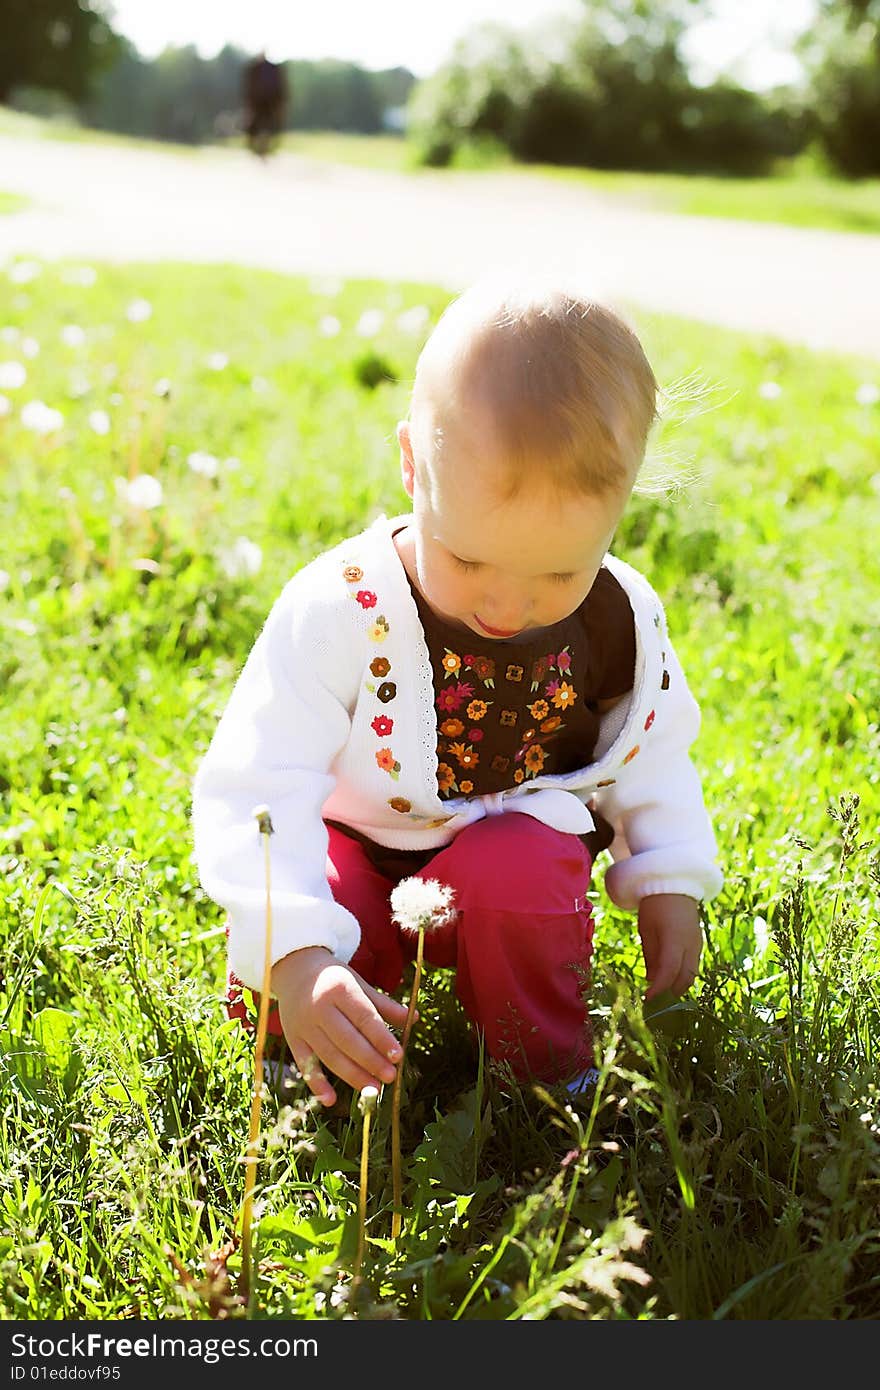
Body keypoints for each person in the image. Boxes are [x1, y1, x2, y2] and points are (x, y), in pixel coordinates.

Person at [191, 274, 723, 1108]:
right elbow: (259, 783)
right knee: (322, 895)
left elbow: (650, 754)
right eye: (468, 560)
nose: (507, 606)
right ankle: (319, 1053)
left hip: (509, 857)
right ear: (411, 464)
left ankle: (541, 1078)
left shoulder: (619, 620)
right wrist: (295, 953)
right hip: (357, 850)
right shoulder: (342, 609)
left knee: (524, 865)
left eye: (560, 571)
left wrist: (668, 875)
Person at [242, 50, 288, 159]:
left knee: (263, 122)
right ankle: (260, 145)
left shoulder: (255, 68)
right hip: (265, 101)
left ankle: (262, 145)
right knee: (263, 122)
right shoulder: (265, 68)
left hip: (263, 101)